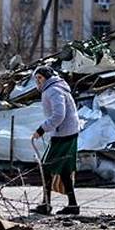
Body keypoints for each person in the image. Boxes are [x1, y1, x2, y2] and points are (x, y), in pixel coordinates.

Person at [30, 66, 80, 215]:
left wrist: (42, 129)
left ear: (46, 77)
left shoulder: (53, 90)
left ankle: (46, 204)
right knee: (64, 170)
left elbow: (59, 115)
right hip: (67, 132)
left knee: (47, 168)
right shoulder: (56, 87)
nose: (38, 81)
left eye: (40, 78)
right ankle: (72, 205)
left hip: (63, 134)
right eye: (36, 78)